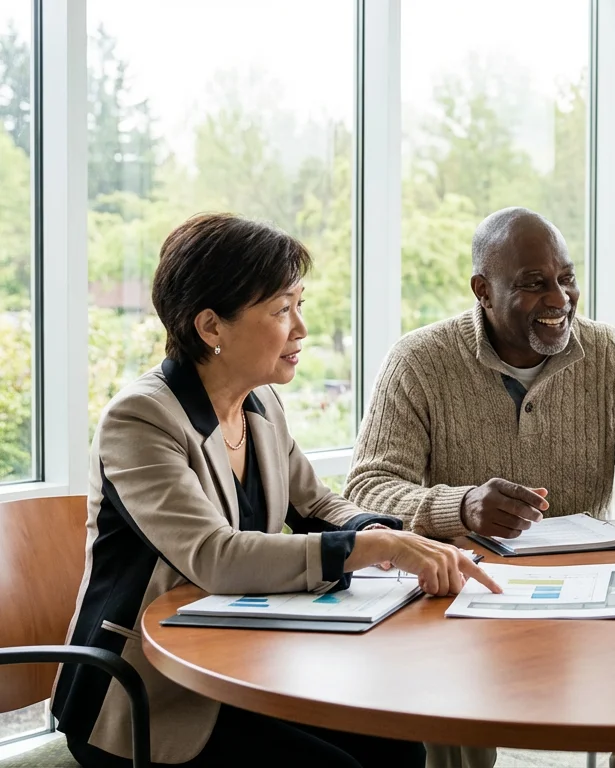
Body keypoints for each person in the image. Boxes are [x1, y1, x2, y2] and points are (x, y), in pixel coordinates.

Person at [55, 214, 498, 768]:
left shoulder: (260, 405)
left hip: (240, 663)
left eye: (300, 305)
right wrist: (383, 550)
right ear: (211, 328)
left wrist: (390, 535)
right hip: (147, 695)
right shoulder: (140, 420)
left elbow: (317, 505)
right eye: (281, 309)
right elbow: (216, 557)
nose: (301, 329)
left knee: (399, 746)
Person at [346, 206, 615, 768]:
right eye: (534, 284)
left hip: (590, 591)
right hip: (465, 590)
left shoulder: (609, 354)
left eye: (566, 278)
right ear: (483, 290)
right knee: (446, 703)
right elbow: (367, 489)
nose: (559, 298)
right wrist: (460, 507)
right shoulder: (419, 361)